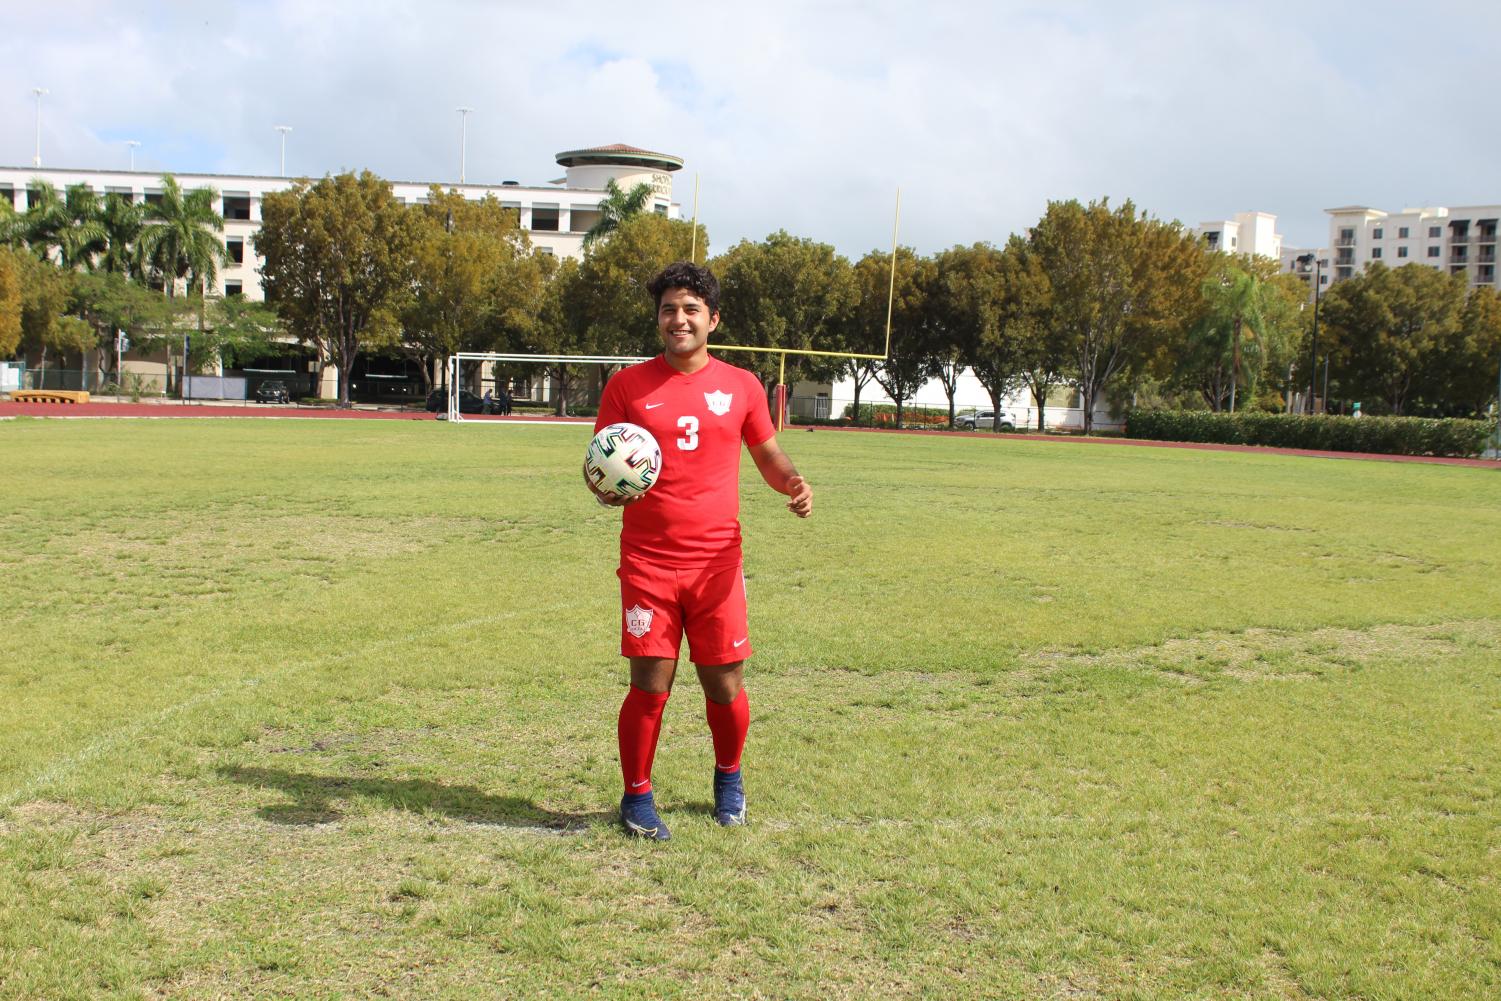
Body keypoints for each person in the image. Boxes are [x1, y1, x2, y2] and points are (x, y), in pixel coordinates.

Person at [584, 261, 813, 840]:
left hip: (717, 564)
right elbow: (603, 461)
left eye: (690, 309)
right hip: (648, 561)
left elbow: (767, 454)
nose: (678, 319)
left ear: (713, 318)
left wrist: (792, 482)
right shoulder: (626, 386)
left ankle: (729, 779)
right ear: (658, 319)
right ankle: (637, 797)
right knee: (649, 682)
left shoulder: (741, 386)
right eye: (668, 309)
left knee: (725, 684)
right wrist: (606, 489)